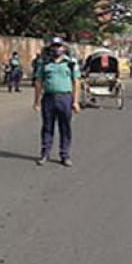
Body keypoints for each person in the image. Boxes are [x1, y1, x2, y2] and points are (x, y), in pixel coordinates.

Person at [33, 37, 80, 167]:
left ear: (63, 48)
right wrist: (36, 101)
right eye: (54, 46)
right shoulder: (44, 63)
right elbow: (38, 82)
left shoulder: (70, 63)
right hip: (48, 98)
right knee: (47, 127)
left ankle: (65, 155)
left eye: (59, 46)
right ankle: (45, 154)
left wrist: (75, 102)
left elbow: (76, 82)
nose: (57, 49)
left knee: (65, 128)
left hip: (65, 98)